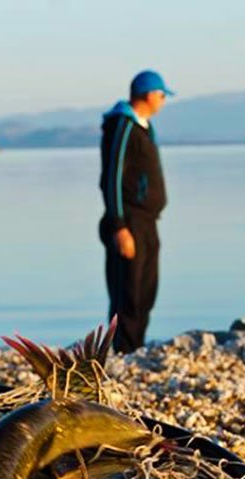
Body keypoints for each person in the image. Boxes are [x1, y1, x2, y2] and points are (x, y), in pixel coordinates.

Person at [98, 69, 173, 353]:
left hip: (147, 221)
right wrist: (119, 226)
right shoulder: (124, 126)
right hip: (128, 223)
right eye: (162, 95)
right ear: (149, 95)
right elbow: (113, 177)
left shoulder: (142, 126)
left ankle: (136, 347)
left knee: (145, 291)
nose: (164, 101)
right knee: (127, 292)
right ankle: (123, 351)